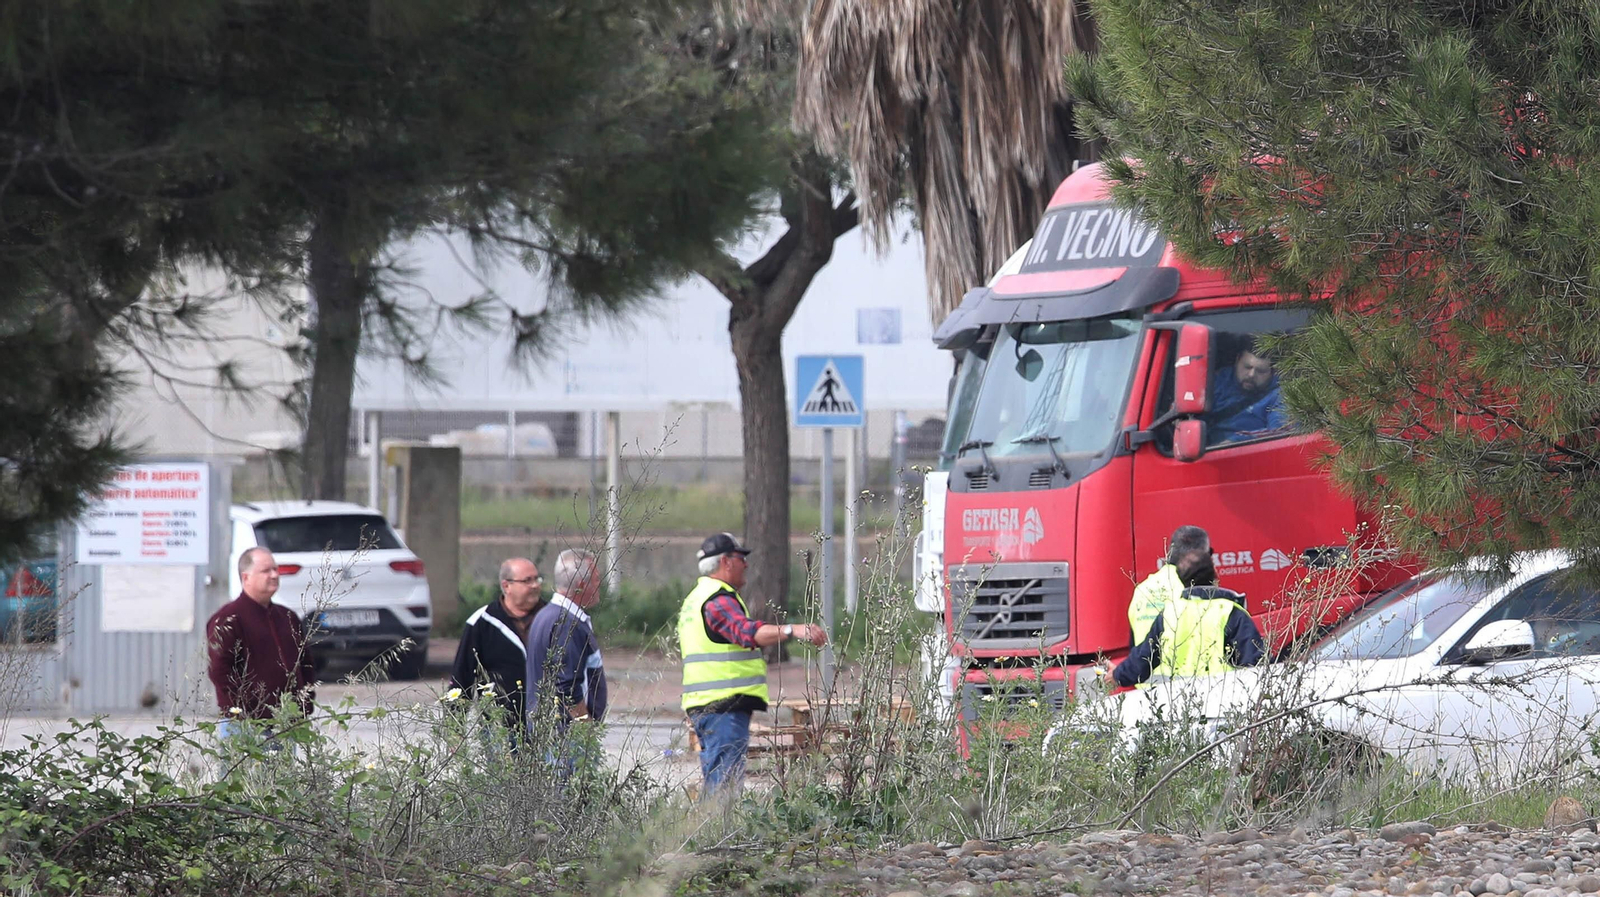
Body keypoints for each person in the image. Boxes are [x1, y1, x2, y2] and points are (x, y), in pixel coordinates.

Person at [678, 532, 828, 796]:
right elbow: (748, 633)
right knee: (724, 789)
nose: (746, 564)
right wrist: (792, 630)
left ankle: (714, 835)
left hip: (708, 704)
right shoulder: (718, 599)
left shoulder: (696, 598)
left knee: (718, 782)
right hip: (723, 706)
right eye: (740, 558)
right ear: (725, 562)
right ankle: (717, 835)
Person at [206, 547, 315, 735]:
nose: (274, 575)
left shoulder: (287, 617)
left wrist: (304, 702)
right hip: (244, 726)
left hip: (286, 723)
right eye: (266, 571)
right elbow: (219, 671)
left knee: (283, 766)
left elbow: (305, 663)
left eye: (275, 569)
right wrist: (244, 710)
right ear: (246, 577)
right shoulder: (228, 619)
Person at [1108, 581, 1266, 688]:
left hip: (1177, 708)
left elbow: (1143, 658)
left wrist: (1117, 675)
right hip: (1223, 709)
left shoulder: (1170, 613)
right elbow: (1258, 669)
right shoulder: (1230, 612)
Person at [449, 557, 543, 728]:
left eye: (537, 579)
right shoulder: (482, 622)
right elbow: (462, 677)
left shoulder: (551, 618)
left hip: (548, 726)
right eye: (527, 581)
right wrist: (455, 729)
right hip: (500, 729)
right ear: (507, 586)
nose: (535, 585)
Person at [525, 549, 607, 737]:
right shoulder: (566, 624)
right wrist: (585, 728)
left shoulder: (547, 615)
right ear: (580, 586)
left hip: (548, 732)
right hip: (564, 737)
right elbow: (566, 686)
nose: (599, 585)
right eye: (595, 580)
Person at [1126, 525, 1218, 645]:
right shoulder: (1191, 588)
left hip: (1145, 662)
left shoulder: (1142, 589)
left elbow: (1134, 647)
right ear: (1200, 556)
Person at [1208, 342, 1289, 443]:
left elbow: (1279, 433)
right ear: (1237, 361)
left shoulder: (1281, 395)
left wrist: (1236, 441)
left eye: (1261, 371)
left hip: (1246, 452)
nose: (1251, 375)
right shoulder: (1217, 380)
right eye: (1247, 367)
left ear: (1273, 372)